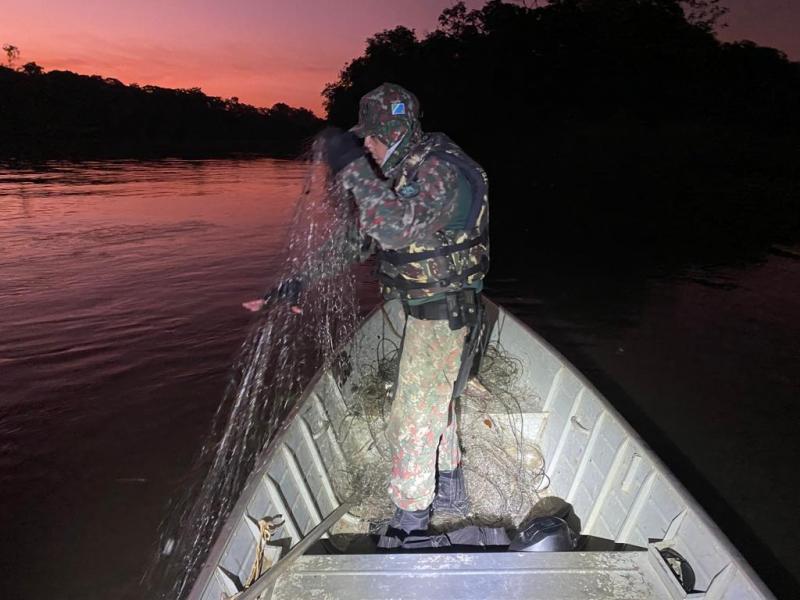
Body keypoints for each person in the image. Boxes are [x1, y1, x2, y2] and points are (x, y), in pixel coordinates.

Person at [248, 83, 490, 538]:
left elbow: (394, 231)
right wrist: (298, 280)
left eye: (370, 141)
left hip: (445, 317)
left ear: (394, 132)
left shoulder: (441, 170)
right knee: (436, 404)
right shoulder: (408, 172)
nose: (368, 149)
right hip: (432, 314)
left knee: (413, 421)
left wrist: (352, 166)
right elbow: (360, 239)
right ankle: (453, 491)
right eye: (362, 145)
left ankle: (411, 528)